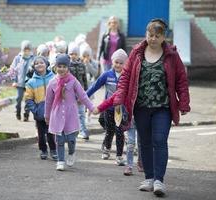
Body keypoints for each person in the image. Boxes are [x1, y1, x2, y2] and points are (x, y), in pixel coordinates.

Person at [93, 19, 190, 197]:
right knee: (144, 142)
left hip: (163, 107)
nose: (152, 39)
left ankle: (159, 180)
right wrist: (120, 99)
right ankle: (149, 178)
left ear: (163, 37)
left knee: (159, 141)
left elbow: (181, 81)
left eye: (157, 36)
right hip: (141, 107)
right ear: (146, 34)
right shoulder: (137, 53)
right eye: (150, 35)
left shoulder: (172, 56)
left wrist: (183, 102)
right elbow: (125, 79)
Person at [45, 54, 95, 171]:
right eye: (59, 66)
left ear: (68, 67)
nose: (61, 69)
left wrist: (92, 108)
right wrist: (46, 115)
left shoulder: (73, 81)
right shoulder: (52, 83)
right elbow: (48, 101)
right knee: (60, 140)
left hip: (70, 115)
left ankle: (72, 152)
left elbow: (83, 96)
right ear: (55, 67)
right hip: (57, 115)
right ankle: (60, 161)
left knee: (71, 139)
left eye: (64, 66)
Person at [87, 49, 127, 166]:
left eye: (121, 63)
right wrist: (84, 96)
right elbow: (95, 86)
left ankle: (119, 156)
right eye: (116, 62)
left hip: (121, 109)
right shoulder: (107, 75)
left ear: (125, 64)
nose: (118, 65)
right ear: (112, 62)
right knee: (110, 130)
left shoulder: (127, 76)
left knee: (120, 132)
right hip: (108, 108)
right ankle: (107, 149)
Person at [24, 56, 57, 160]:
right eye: (36, 63)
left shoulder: (54, 78)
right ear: (34, 67)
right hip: (39, 113)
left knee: (51, 133)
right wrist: (35, 110)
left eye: (41, 62)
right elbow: (28, 99)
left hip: (52, 112)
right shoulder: (31, 82)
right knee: (41, 134)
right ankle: (43, 150)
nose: (39, 64)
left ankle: (53, 150)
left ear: (46, 64)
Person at [67, 42, 89, 141]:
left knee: (81, 113)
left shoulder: (82, 65)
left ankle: (83, 132)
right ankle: (71, 131)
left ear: (78, 54)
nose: (73, 56)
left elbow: (84, 79)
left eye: (75, 54)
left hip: (80, 93)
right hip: (70, 94)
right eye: (71, 54)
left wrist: (86, 93)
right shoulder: (66, 65)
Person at [9, 40, 35, 121]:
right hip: (19, 83)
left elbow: (35, 70)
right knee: (19, 98)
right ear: (22, 50)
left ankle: (26, 115)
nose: (26, 52)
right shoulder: (18, 58)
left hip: (29, 83)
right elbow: (13, 70)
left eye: (28, 50)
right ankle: (18, 112)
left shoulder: (33, 58)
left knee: (28, 99)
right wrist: (14, 80)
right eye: (25, 50)